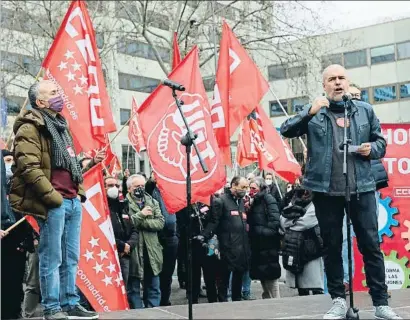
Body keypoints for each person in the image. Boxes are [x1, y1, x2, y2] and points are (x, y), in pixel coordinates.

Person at [280, 64, 401, 320]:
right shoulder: (315, 113)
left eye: (341, 78)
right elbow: (286, 130)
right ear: (324, 85)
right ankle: (337, 300)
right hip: (326, 191)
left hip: (363, 188)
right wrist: (310, 111)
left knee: (370, 245)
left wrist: (373, 149)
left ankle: (381, 303)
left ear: (348, 82)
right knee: (332, 247)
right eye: (332, 79)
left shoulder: (365, 110)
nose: (337, 83)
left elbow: (381, 143)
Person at [9, 80, 98, 320]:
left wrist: (78, 192)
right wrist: (53, 198)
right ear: (40, 102)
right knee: (51, 257)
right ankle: (52, 307)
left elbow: (68, 163)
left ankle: (70, 303)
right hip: (54, 204)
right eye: (54, 92)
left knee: (71, 257)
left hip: (71, 201)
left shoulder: (61, 125)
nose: (60, 95)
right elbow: (29, 168)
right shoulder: (29, 127)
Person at [200, 176, 251, 302]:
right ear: (233, 185)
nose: (245, 190)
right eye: (242, 187)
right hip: (226, 248)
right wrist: (204, 235)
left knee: (238, 282)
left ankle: (237, 302)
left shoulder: (241, 203)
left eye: (246, 187)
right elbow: (213, 222)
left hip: (241, 249)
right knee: (223, 282)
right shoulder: (220, 201)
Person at [1, 151, 32, 319]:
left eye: (12, 161)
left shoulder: (19, 187)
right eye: (6, 160)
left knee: (16, 282)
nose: (10, 164)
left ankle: (14, 312)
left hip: (17, 243)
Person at [126, 174, 164, 309]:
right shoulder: (125, 203)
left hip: (152, 251)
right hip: (135, 252)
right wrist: (141, 215)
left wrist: (141, 222)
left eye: (142, 186)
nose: (140, 189)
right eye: (137, 186)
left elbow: (160, 223)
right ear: (129, 189)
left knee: (154, 287)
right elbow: (127, 224)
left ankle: (154, 313)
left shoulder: (152, 201)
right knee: (134, 288)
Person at [280, 186, 324, 296]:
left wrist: (291, 223)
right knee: (301, 288)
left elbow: (306, 223)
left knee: (314, 286)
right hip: (294, 248)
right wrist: (293, 222)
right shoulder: (294, 201)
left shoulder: (316, 203)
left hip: (311, 247)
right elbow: (283, 221)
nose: (304, 192)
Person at [145, 171, 179, 306]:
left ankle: (165, 299)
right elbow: (148, 188)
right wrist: (153, 180)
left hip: (172, 238)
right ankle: (153, 301)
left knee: (168, 272)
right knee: (154, 271)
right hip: (156, 237)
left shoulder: (173, 192)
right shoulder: (152, 191)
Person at [248, 177, 281, 299]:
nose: (251, 190)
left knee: (271, 279)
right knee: (262, 277)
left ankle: (276, 303)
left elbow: (274, 223)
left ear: (261, 188)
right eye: (250, 188)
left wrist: (258, 230)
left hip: (268, 245)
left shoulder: (268, 199)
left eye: (254, 188)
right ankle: (267, 301)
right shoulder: (254, 201)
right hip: (258, 245)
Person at [105, 176, 138, 289]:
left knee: (123, 288)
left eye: (116, 185)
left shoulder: (123, 206)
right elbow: (105, 233)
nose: (114, 188)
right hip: (109, 256)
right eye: (110, 185)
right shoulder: (102, 207)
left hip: (125, 254)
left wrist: (129, 245)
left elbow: (134, 230)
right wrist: (121, 245)